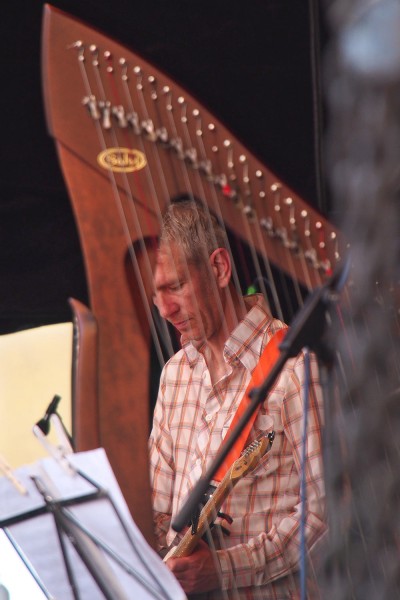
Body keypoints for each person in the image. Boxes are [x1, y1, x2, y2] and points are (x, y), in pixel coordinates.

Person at [149, 199, 326, 599]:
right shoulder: (174, 375)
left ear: (219, 269)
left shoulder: (296, 366)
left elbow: (324, 516)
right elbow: (158, 513)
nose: (165, 309)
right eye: (156, 294)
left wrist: (224, 569)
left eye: (175, 287)